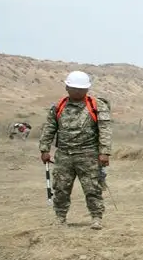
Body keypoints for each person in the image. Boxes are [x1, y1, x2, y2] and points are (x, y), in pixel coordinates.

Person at [38, 70, 112, 230]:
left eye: (81, 89)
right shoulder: (58, 106)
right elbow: (50, 127)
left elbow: (105, 129)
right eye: (74, 88)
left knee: (93, 188)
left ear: (87, 89)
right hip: (64, 155)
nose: (78, 91)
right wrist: (44, 149)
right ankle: (60, 218)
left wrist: (104, 152)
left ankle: (96, 218)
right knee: (61, 189)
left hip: (89, 155)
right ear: (67, 88)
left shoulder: (96, 105)